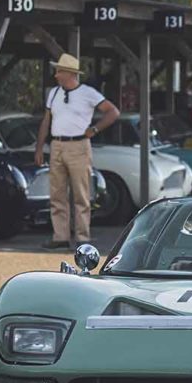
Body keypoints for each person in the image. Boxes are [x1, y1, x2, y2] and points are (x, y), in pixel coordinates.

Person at [34, 53, 120, 249]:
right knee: (57, 193)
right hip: (57, 145)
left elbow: (113, 111)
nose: (56, 75)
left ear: (69, 74)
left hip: (79, 145)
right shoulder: (54, 93)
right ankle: (60, 236)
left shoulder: (88, 93)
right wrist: (40, 147)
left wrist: (95, 129)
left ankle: (83, 237)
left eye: (59, 71)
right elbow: (46, 120)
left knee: (81, 193)